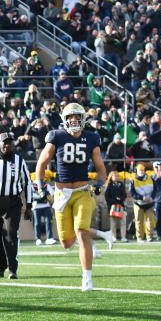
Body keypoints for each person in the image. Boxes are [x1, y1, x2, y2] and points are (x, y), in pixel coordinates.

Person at [35, 103, 112, 291]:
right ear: (65, 120)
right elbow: (41, 163)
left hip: (83, 192)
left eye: (77, 117)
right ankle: (99, 237)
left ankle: (87, 278)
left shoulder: (92, 137)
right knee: (67, 243)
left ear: (83, 119)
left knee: (81, 232)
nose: (74, 121)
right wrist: (40, 185)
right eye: (70, 118)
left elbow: (101, 168)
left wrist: (100, 184)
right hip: (62, 193)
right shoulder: (57, 136)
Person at [0, 132, 33, 279]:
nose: (8, 145)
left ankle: (13, 269)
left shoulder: (19, 161)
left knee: (10, 234)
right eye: (5, 142)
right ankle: (0, 267)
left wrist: (29, 206)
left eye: (10, 142)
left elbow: (27, 183)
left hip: (13, 201)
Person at [130, 163, 156, 242]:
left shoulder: (150, 178)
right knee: (138, 221)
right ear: (136, 171)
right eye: (139, 170)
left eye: (142, 170)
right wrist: (142, 198)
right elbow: (132, 193)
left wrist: (152, 197)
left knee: (150, 220)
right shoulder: (133, 180)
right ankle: (139, 237)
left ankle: (149, 236)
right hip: (139, 203)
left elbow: (155, 189)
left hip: (149, 203)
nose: (141, 172)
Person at [104, 171, 127, 242]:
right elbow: (107, 197)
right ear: (111, 177)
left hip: (121, 206)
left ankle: (123, 237)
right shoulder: (109, 185)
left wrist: (120, 199)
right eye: (115, 176)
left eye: (117, 176)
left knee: (123, 222)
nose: (117, 177)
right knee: (113, 223)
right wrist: (115, 200)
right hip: (112, 207)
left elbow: (124, 195)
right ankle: (114, 237)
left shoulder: (121, 184)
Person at [31, 180, 56, 245]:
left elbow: (52, 193)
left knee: (49, 221)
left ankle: (49, 238)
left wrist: (46, 195)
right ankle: (38, 239)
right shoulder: (33, 185)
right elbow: (31, 194)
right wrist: (40, 196)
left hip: (46, 205)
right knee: (37, 223)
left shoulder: (46, 185)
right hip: (36, 206)